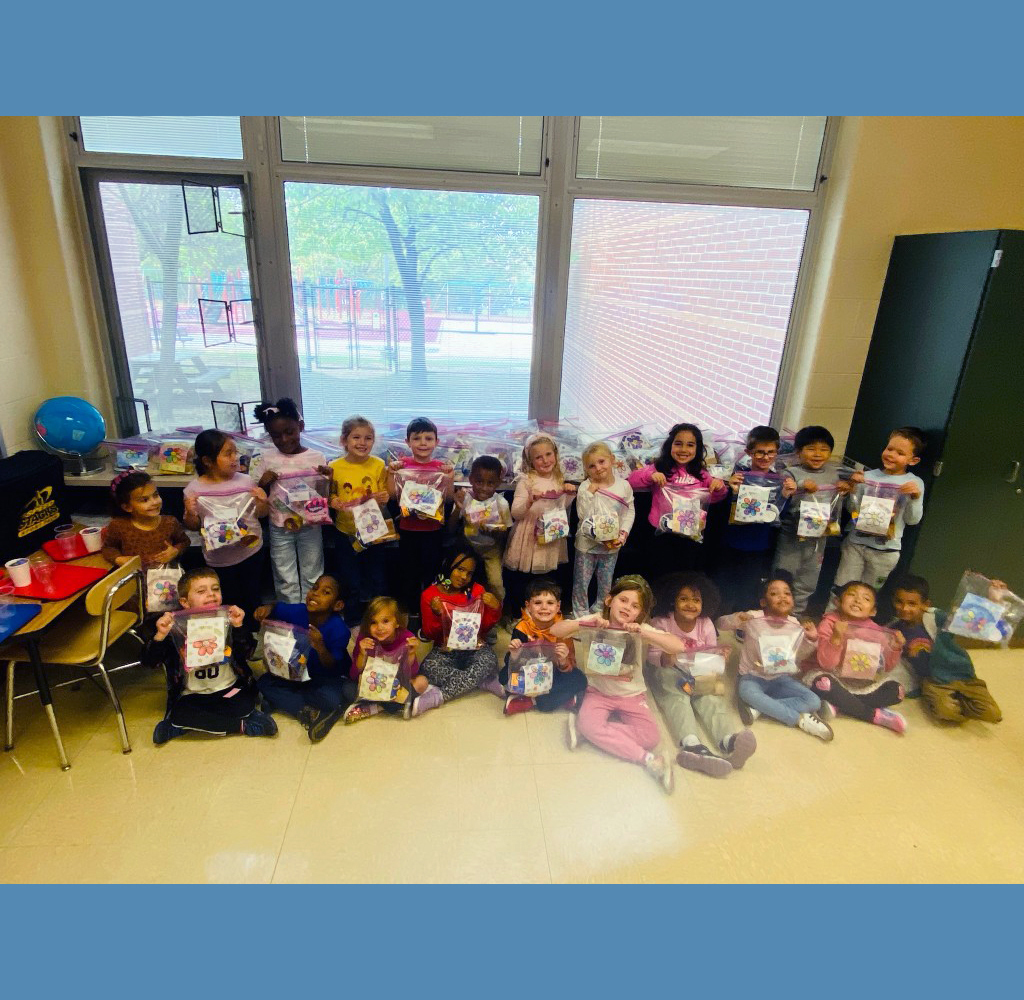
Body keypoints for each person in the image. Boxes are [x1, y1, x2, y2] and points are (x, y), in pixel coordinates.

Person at [550, 575, 687, 794]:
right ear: (609, 600)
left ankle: (587, 730)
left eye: (635, 606)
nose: (627, 608)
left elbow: (677, 646)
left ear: (639, 613)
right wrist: (585, 623)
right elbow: (556, 631)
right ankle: (649, 760)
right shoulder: (595, 619)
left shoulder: (639, 628)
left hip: (632, 695)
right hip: (598, 692)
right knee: (596, 725)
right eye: (623, 600)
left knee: (650, 737)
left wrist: (644, 631)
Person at [143, 567, 276, 744]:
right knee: (181, 713)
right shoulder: (174, 626)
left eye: (215, 589)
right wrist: (160, 635)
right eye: (201, 591)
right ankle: (240, 725)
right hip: (193, 695)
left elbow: (249, 653)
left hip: (230, 690)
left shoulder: (228, 619)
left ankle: (183, 726)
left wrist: (238, 627)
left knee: (245, 700)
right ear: (185, 602)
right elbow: (149, 662)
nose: (211, 595)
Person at [647, 572, 755, 777]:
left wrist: (719, 656)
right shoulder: (662, 622)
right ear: (672, 600)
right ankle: (691, 744)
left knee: (710, 697)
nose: (690, 604)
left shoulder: (705, 623)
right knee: (677, 697)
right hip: (666, 670)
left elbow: (710, 653)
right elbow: (652, 654)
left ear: (704, 603)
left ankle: (728, 740)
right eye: (684, 598)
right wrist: (665, 658)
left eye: (696, 600)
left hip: (697, 670)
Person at [717, 571, 832, 740]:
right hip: (751, 677)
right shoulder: (754, 618)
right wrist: (736, 619)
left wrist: (811, 640)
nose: (782, 597)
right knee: (747, 693)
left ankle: (758, 710)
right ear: (763, 601)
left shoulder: (794, 624)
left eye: (787, 593)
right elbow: (720, 624)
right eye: (774, 593)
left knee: (813, 701)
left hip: (780, 678)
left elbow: (798, 656)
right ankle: (799, 720)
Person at [182, 429, 269, 629]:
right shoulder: (194, 489)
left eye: (235, 452)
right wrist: (190, 513)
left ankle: (253, 635)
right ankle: (235, 637)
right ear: (208, 461)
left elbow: (260, 514)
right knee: (228, 599)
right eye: (228, 453)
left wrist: (263, 502)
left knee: (252, 595)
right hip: (219, 558)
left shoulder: (246, 481)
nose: (235, 458)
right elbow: (194, 526)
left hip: (251, 550)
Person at [254, 574, 354, 743]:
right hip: (294, 673)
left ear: (338, 605)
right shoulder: (299, 611)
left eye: (325, 592)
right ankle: (309, 711)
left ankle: (289, 704)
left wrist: (320, 647)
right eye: (315, 588)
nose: (315, 594)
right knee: (264, 683)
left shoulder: (339, 629)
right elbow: (277, 608)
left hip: (324, 677)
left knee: (332, 696)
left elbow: (332, 665)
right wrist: (266, 610)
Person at [890, 574, 1003, 725]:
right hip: (934, 682)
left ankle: (959, 697)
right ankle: (946, 698)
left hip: (962, 675)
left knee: (992, 714)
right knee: (947, 712)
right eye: (899, 602)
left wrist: (993, 600)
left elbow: (972, 623)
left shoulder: (936, 618)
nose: (904, 608)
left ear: (925, 604)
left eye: (912, 604)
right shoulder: (894, 629)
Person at [252, 398, 329, 604]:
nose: (284, 439)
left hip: (310, 523)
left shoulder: (317, 456)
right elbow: (256, 493)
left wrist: (326, 477)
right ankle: (290, 611)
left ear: (300, 427)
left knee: (313, 569)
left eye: (290, 432)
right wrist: (263, 483)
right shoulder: (266, 457)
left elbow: (323, 494)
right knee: (283, 571)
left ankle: (312, 608)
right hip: (279, 524)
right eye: (276, 435)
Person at [627, 423, 727, 579]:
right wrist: (650, 476)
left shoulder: (701, 474)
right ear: (670, 445)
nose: (683, 450)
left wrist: (719, 487)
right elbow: (632, 481)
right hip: (661, 533)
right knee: (658, 574)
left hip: (690, 534)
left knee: (683, 576)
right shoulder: (659, 468)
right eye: (678, 444)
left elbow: (713, 498)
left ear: (697, 448)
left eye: (690, 445)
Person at [716, 426, 796, 614]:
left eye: (770, 452)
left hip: (758, 545)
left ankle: (743, 622)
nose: (765, 457)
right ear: (749, 452)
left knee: (749, 588)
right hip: (731, 541)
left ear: (777, 453)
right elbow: (723, 511)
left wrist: (785, 495)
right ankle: (719, 619)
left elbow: (778, 516)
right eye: (759, 452)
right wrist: (731, 490)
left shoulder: (779, 481)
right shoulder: (739, 476)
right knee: (724, 584)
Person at [835, 427, 926, 592]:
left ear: (913, 461)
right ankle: (832, 618)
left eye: (900, 453)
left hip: (886, 551)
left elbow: (913, 520)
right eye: (889, 448)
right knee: (843, 589)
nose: (891, 455)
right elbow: (853, 511)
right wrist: (853, 489)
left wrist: (915, 498)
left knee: (869, 595)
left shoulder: (914, 483)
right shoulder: (867, 477)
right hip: (856, 544)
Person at [808, 580, 907, 732]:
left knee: (897, 691)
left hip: (861, 684)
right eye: (852, 595)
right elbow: (826, 663)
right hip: (832, 678)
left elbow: (885, 667)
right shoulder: (829, 623)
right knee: (823, 683)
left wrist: (895, 647)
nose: (858, 600)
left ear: (873, 611)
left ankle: (841, 704)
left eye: (866, 599)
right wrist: (836, 637)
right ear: (838, 601)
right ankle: (873, 715)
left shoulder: (877, 632)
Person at [773, 425, 852, 613]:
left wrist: (845, 488)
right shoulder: (791, 473)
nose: (818, 454)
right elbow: (783, 497)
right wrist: (800, 486)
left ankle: (796, 614)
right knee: (783, 576)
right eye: (811, 449)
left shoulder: (833, 474)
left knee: (808, 580)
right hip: (791, 537)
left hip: (818, 539)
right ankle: (775, 614)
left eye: (824, 450)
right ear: (798, 452)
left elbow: (838, 501)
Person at [418, 547, 503, 713]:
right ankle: (482, 680)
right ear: (447, 565)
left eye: (469, 573)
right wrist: (437, 614)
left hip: (475, 647)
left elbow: (484, 628)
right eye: (460, 569)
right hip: (445, 649)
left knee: (489, 659)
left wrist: (495, 608)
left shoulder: (477, 591)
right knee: (428, 668)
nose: (464, 577)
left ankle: (439, 696)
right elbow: (429, 633)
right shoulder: (430, 595)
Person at [387, 417, 454, 627]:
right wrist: (391, 473)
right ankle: (414, 612)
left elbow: (449, 498)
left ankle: (432, 611)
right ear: (408, 442)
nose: (423, 443)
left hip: (433, 530)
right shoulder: (402, 465)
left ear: (436, 441)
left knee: (432, 572)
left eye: (428, 438)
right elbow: (391, 495)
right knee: (409, 573)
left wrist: (449, 476)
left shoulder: (440, 467)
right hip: (408, 529)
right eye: (417, 438)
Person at [502, 434, 577, 619]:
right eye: (538, 457)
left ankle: (542, 613)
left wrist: (569, 494)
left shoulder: (559, 478)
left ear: (556, 454)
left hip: (551, 533)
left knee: (547, 575)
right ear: (530, 460)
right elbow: (516, 513)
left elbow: (560, 507)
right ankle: (519, 615)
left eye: (548, 454)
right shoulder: (526, 481)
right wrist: (529, 500)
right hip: (529, 535)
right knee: (524, 577)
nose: (545, 460)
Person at [327, 415, 392, 625]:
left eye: (368, 438)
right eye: (356, 437)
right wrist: (333, 501)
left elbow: (385, 493)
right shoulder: (334, 466)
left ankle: (379, 617)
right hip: (345, 531)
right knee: (350, 578)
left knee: (377, 576)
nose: (362, 443)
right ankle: (353, 619)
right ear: (343, 440)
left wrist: (384, 497)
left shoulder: (379, 464)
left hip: (374, 530)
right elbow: (330, 495)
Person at [500, 578, 587, 716]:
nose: (544, 608)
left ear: (558, 606)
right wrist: (515, 653)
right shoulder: (522, 628)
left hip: (553, 673)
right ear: (528, 606)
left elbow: (570, 665)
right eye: (538, 603)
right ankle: (561, 698)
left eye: (550, 603)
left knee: (580, 679)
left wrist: (563, 660)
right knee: (504, 676)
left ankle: (531, 701)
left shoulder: (564, 630)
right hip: (529, 672)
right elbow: (512, 663)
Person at [572, 441, 635, 619]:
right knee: (581, 583)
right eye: (591, 466)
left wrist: (623, 534)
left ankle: (600, 612)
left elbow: (629, 511)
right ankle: (580, 616)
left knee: (605, 584)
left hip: (612, 546)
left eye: (602, 462)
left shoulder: (624, 486)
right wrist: (589, 493)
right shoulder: (586, 486)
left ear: (612, 460)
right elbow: (583, 515)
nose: (598, 468)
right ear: (586, 469)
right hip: (587, 546)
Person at [345, 596, 432, 724]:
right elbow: (354, 674)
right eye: (373, 622)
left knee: (422, 682)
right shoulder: (365, 639)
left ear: (397, 622)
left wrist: (411, 653)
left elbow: (411, 673)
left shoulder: (406, 637)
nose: (379, 627)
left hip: (396, 686)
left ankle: (376, 708)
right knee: (348, 689)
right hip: (374, 686)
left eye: (385, 621)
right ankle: (397, 705)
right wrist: (362, 653)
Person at [450, 454, 512, 602]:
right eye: (479, 482)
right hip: (467, 547)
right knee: (460, 579)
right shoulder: (465, 498)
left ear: (498, 482)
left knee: (496, 583)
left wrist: (497, 531)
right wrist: (458, 509)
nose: (484, 488)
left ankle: (496, 611)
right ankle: (460, 605)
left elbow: (507, 532)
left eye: (490, 483)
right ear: (470, 479)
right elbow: (450, 528)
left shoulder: (501, 503)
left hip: (492, 550)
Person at [101, 470, 189, 569]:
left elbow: (184, 541)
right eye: (144, 500)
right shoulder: (118, 526)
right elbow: (109, 548)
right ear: (127, 507)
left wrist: (175, 551)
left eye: (155, 495)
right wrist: (119, 559)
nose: (154, 502)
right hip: (135, 576)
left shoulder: (170, 522)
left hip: (165, 577)